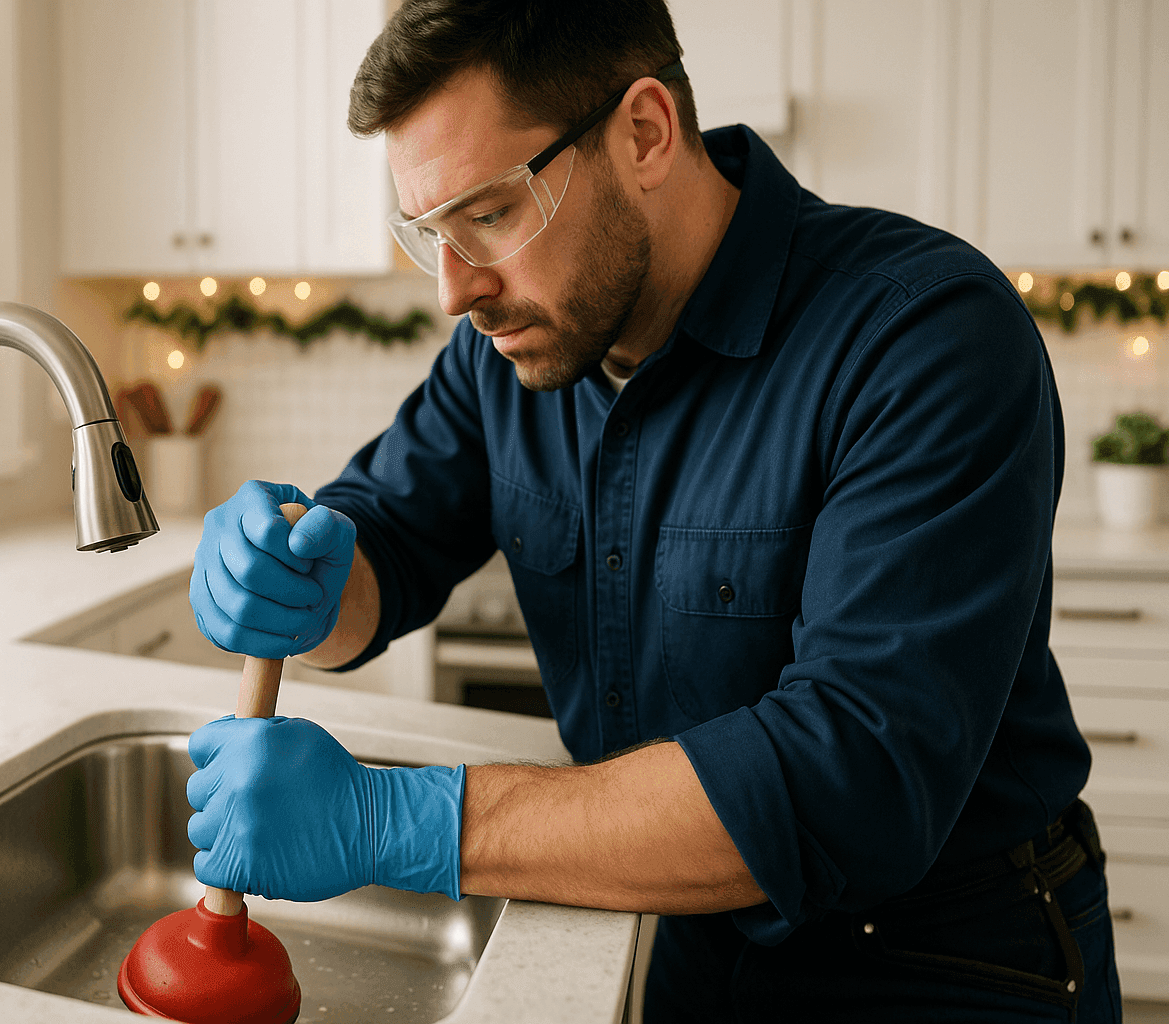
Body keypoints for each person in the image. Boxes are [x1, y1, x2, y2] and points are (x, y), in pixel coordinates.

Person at [181, 1, 1121, 1019]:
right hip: (659, 935)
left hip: (937, 968)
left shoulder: (924, 336)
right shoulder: (512, 349)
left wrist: (391, 820)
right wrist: (308, 579)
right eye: (429, 233)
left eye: (489, 214)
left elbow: (853, 778)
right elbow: (388, 537)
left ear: (643, 133)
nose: (456, 291)